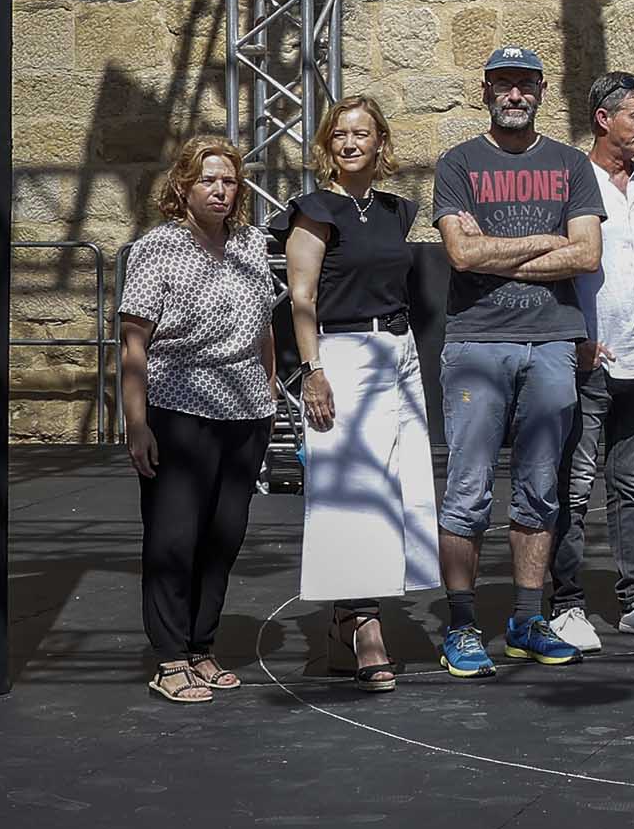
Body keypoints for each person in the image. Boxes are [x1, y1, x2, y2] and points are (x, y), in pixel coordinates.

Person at [432, 46, 604, 676]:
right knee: (468, 491)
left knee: (539, 490)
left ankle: (527, 620)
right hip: (476, 341)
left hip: (552, 341)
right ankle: (461, 625)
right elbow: (462, 256)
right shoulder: (457, 163)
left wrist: (494, 247)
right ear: (485, 91)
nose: (513, 95)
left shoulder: (570, 164)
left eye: (524, 85)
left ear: (540, 91)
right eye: (502, 84)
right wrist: (547, 239)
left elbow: (586, 255)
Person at [285, 97, 437, 691]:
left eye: (362, 133)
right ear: (328, 145)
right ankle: (361, 622)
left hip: (397, 352)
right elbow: (302, 298)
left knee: (400, 489)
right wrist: (313, 371)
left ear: (381, 142)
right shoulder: (315, 210)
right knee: (352, 492)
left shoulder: (398, 210)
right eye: (340, 134)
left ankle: (351, 618)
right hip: (341, 356)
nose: (351, 143)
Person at [119, 135, 277, 705]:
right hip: (177, 406)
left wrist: (270, 392)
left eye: (229, 180)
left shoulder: (252, 246)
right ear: (182, 185)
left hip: (246, 411)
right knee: (174, 535)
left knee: (224, 536)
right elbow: (134, 344)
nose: (220, 190)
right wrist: (136, 425)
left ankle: (202, 647)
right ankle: (168, 657)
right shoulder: (156, 248)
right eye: (208, 179)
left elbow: (264, 328)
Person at [552, 71, 634, 649]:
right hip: (586, 359)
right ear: (603, 119)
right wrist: (576, 335)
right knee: (575, 485)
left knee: (632, 483)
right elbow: (560, 262)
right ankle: (566, 605)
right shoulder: (571, 180)